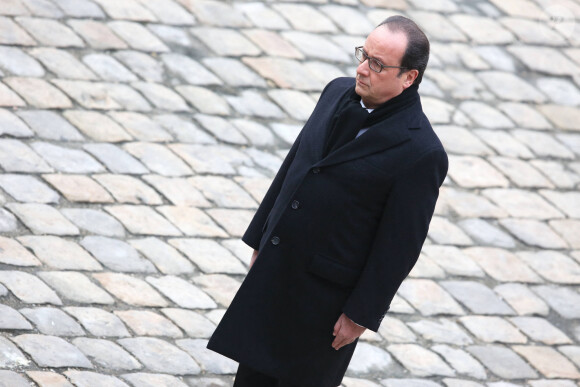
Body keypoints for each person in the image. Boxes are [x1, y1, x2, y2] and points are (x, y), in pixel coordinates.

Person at [207, 15, 448, 387]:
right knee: (250, 376)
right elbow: (296, 164)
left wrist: (361, 313)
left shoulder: (422, 152)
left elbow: (400, 246)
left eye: (377, 64)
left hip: (323, 302)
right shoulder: (336, 91)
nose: (362, 68)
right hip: (278, 267)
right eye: (363, 54)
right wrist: (260, 237)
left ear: (409, 77)